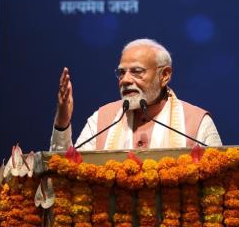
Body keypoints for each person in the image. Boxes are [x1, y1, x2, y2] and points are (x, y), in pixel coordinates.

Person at [50, 38, 222, 151]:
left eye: (137, 71)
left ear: (165, 75)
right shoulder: (103, 119)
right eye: (121, 73)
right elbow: (66, 173)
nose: (125, 80)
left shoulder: (198, 122)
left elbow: (219, 183)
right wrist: (62, 123)